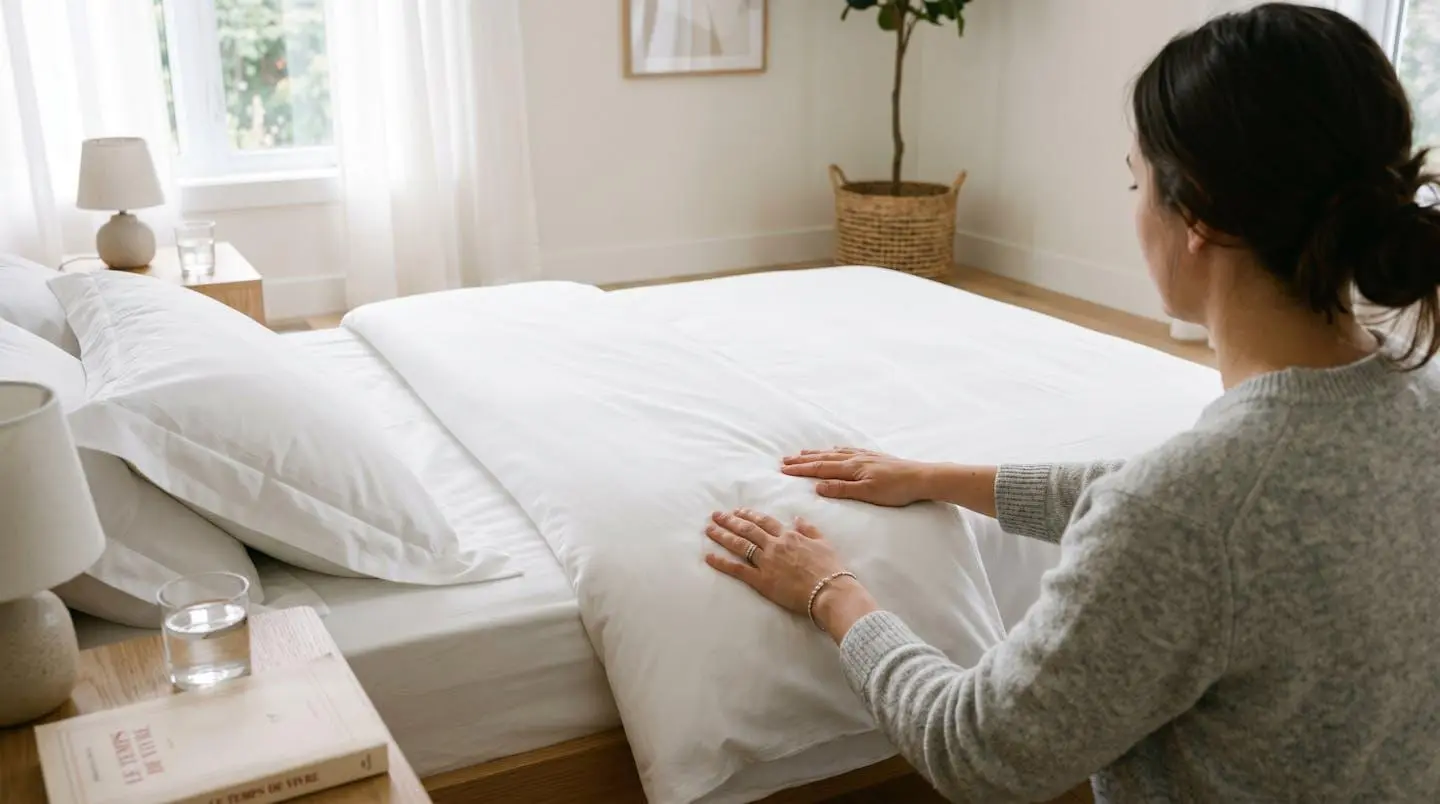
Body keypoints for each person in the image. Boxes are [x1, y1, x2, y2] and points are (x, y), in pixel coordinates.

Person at [701, 4, 1440, 801]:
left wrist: (830, 590)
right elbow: (1194, 506)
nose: (1132, 207)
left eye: (1136, 180)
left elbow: (977, 751)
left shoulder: (1190, 510)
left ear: (1197, 214)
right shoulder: (1413, 398)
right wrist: (941, 478)